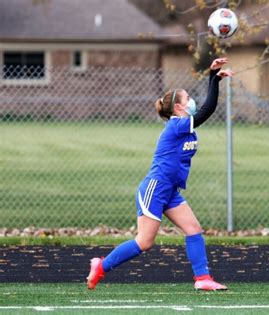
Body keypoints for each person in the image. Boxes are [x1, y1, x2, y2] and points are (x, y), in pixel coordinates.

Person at [87, 58, 233, 291]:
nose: (192, 101)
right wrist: (214, 78)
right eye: (188, 99)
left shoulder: (185, 126)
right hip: (155, 189)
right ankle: (101, 267)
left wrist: (213, 77)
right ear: (178, 107)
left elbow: (204, 110)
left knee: (194, 230)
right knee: (144, 242)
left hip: (170, 191)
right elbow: (208, 109)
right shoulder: (177, 125)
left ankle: (203, 279)